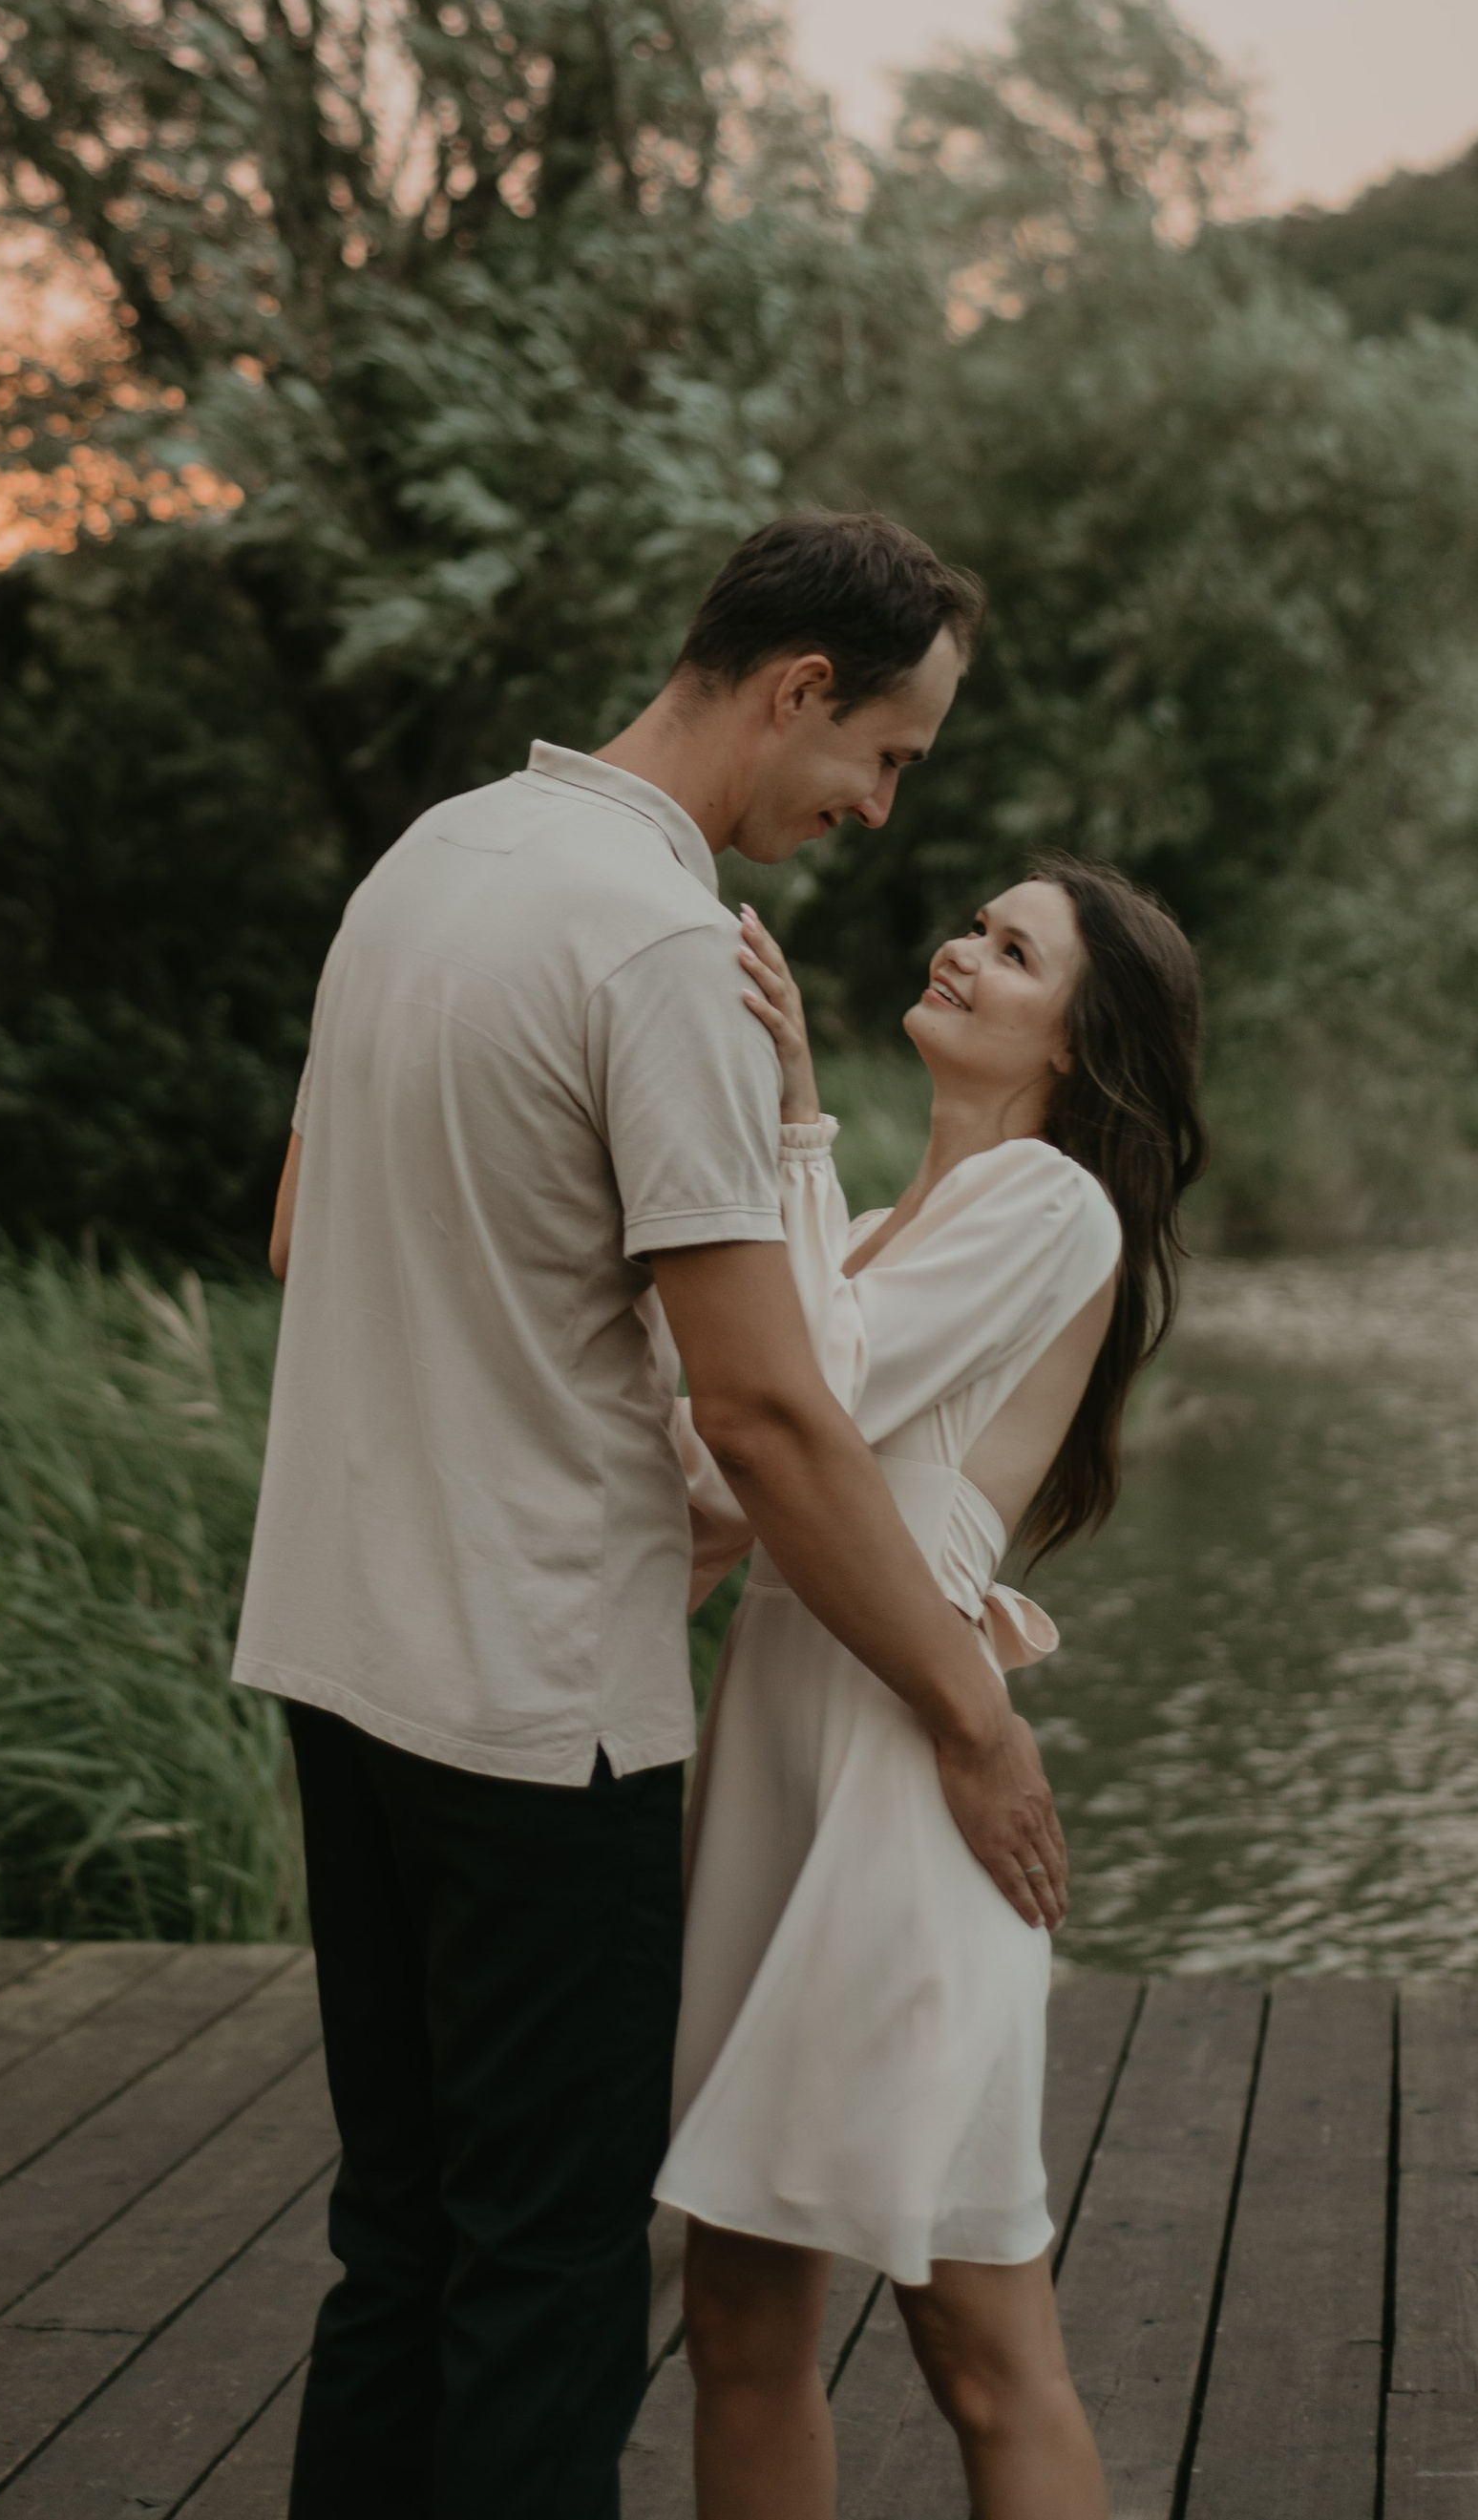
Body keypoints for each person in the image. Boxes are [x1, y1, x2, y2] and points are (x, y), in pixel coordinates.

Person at [232, 511, 1069, 2520]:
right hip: (536, 1709)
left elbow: (293, 1233)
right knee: (539, 2278)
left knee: (404, 2241)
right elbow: (771, 1412)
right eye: (886, 754)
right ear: (797, 688)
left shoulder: (426, 860)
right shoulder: (660, 946)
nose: (877, 810)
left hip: (337, 1661)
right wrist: (970, 1710)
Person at [665, 859, 1206, 2520]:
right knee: (738, 2315)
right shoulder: (907, 1221)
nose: (962, 950)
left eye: (1014, 947)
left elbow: (806, 1389)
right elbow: (719, 1452)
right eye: (974, 924)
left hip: (910, 1790)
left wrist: (799, 1118)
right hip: (784, 1759)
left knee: (982, 2346)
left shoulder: (1053, 1205)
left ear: (1080, 1035)